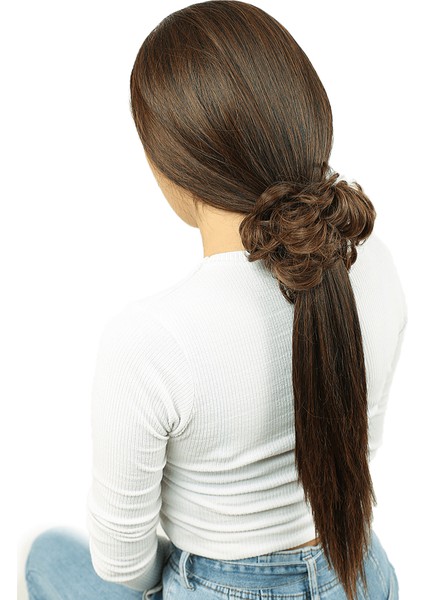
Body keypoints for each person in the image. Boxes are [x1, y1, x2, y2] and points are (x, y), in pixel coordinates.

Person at [25, 1, 407, 599]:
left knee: (47, 555)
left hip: (224, 587)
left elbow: (123, 562)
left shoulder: (151, 339)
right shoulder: (373, 261)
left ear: (170, 167)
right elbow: (360, 447)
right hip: (360, 572)